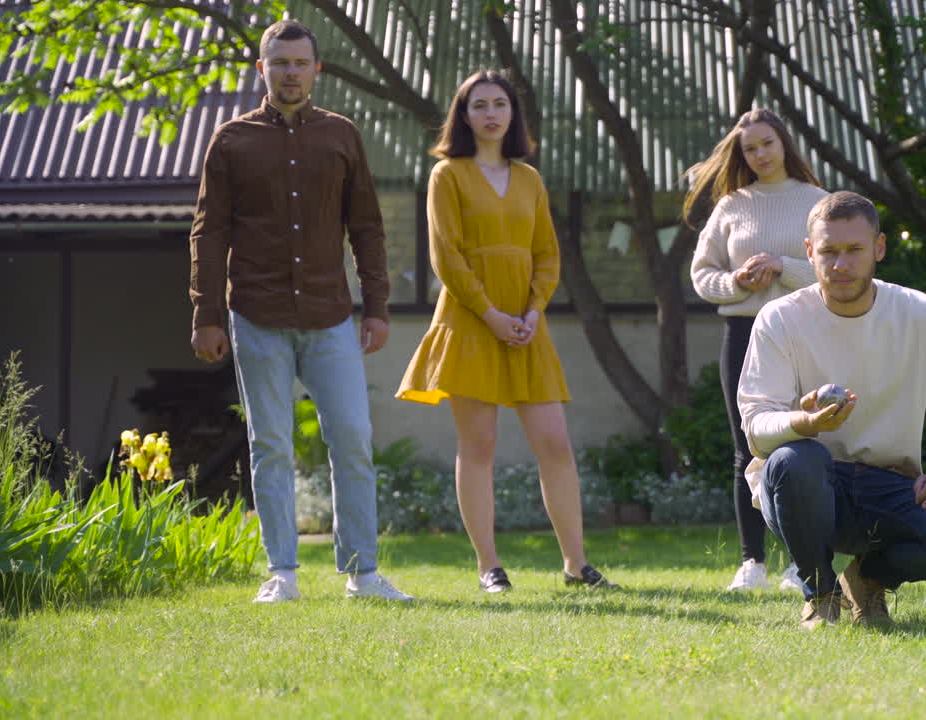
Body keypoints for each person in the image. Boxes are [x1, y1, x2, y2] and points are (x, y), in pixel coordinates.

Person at [189, 19, 412, 603]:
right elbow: (209, 233)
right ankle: (282, 573)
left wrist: (378, 306)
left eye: (300, 62)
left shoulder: (342, 136)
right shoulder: (231, 140)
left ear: (318, 70)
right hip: (255, 313)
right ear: (262, 70)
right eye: (279, 62)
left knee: (353, 439)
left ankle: (362, 574)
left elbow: (366, 226)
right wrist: (205, 314)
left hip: (331, 315)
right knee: (270, 445)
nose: (290, 71)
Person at [738, 191, 926, 629]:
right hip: (805, 486)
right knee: (792, 458)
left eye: (854, 250)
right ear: (809, 252)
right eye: (828, 251)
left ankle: (865, 580)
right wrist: (805, 423)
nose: (840, 265)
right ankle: (819, 594)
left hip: (891, 484)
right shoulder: (779, 318)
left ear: (879, 248)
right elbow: (757, 430)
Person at [396, 70, 615, 593]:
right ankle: (489, 567)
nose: (491, 113)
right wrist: (491, 314)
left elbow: (546, 254)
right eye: (479, 105)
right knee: (480, 446)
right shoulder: (446, 175)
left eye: (500, 104)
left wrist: (534, 311)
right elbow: (445, 255)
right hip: (471, 322)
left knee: (555, 444)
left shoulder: (530, 180)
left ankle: (575, 565)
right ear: (463, 114)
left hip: (525, 326)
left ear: (513, 114)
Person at [686, 109, 827, 592]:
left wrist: (783, 265)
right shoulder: (731, 205)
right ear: (741, 155)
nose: (761, 154)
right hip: (743, 335)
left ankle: (801, 560)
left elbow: (836, 268)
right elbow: (702, 276)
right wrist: (737, 281)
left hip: (801, 331)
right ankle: (753, 563)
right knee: (746, 444)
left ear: (784, 144)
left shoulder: (818, 202)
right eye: (751, 148)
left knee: (802, 443)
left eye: (768, 143)